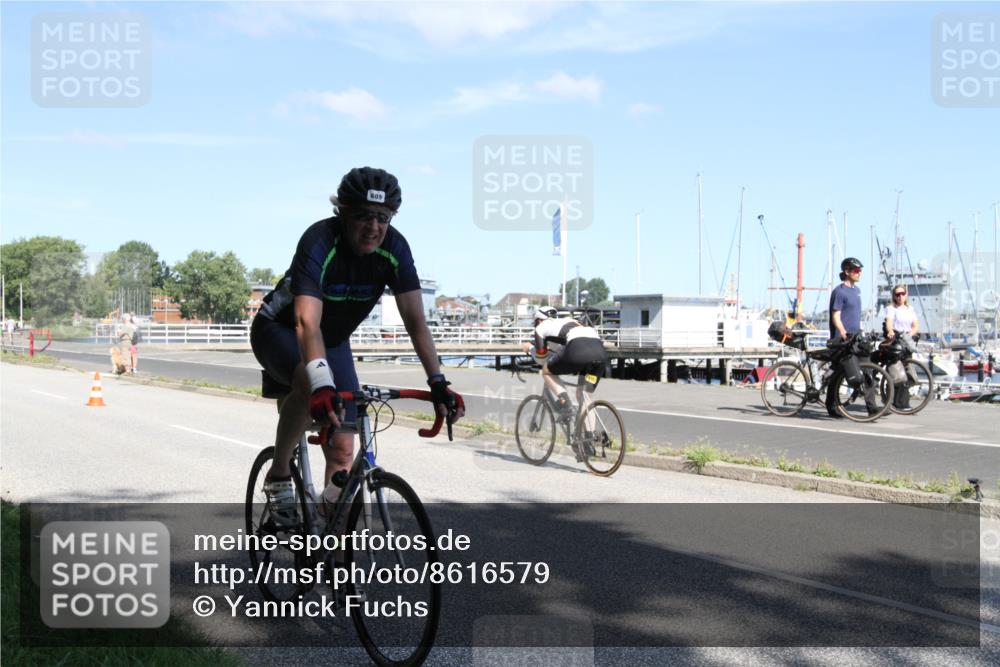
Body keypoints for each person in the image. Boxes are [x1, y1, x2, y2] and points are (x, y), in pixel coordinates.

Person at [251, 166, 463, 526]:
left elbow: (415, 321)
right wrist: (321, 385)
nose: (373, 227)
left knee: (344, 450)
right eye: (363, 215)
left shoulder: (394, 248)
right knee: (308, 381)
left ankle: (332, 545)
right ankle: (280, 475)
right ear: (343, 212)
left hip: (333, 341)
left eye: (383, 217)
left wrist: (438, 382)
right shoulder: (320, 240)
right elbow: (306, 323)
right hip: (280, 330)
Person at [522, 306, 609, 459]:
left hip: (578, 350)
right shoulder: (570, 322)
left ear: (538, 320)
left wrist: (530, 349)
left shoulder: (541, 327)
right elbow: (560, 350)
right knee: (584, 396)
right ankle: (588, 440)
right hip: (599, 355)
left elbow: (542, 358)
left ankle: (564, 401)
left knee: (546, 371)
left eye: (535, 323)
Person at [825, 257, 876, 417]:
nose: (859, 273)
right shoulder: (839, 292)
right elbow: (836, 316)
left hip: (856, 337)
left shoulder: (857, 291)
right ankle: (831, 405)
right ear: (847, 271)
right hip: (843, 339)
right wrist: (843, 333)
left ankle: (872, 408)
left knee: (868, 370)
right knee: (838, 373)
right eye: (856, 270)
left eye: (860, 270)